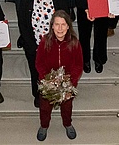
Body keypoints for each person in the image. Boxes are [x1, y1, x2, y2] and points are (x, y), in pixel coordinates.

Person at [17, 0, 68, 108]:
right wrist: (33, 47)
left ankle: (56, 95)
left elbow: (67, 20)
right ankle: (39, 95)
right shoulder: (25, 0)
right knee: (37, 72)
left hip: (56, 45)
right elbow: (23, 25)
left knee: (56, 71)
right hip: (34, 45)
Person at [35, 10, 83, 141]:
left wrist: (69, 81)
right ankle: (44, 125)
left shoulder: (74, 43)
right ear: (52, 26)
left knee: (67, 106)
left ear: (68, 26)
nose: (60, 28)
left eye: (63, 24)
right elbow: (39, 63)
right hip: (48, 83)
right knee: (45, 106)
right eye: (57, 24)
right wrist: (47, 80)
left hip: (67, 84)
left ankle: (67, 124)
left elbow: (78, 65)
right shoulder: (45, 41)